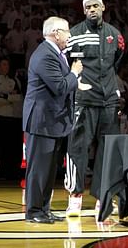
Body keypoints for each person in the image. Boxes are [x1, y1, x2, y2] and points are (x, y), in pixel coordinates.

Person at [63, 0, 125, 217]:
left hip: (108, 100)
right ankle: (75, 197)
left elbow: (118, 60)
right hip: (84, 99)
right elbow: (67, 62)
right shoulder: (74, 34)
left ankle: (104, 197)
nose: (92, 10)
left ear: (103, 8)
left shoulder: (115, 35)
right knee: (77, 148)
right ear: (83, 10)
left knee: (108, 150)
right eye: (87, 7)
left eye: (95, 6)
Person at [23, 16, 83, 224]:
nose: (69, 36)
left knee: (48, 171)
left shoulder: (55, 54)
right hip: (41, 122)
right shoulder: (45, 55)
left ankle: (44, 209)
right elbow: (59, 87)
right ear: (56, 33)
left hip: (52, 122)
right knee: (39, 170)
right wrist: (74, 74)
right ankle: (33, 211)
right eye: (67, 31)